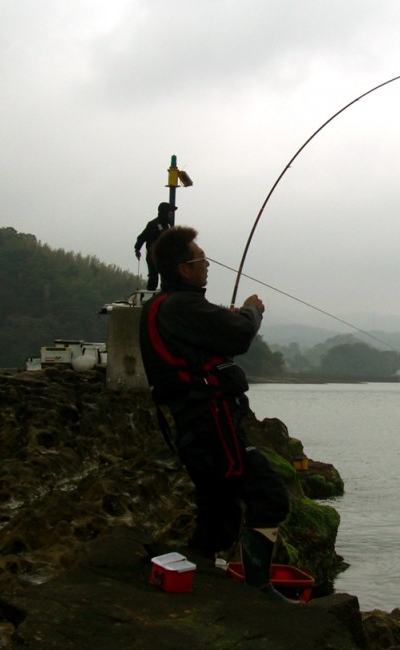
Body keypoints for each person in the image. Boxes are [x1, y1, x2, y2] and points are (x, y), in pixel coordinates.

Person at [138, 226, 294, 603]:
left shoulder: (165, 307)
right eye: (199, 260)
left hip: (195, 425)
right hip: (210, 423)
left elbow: (206, 338)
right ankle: (259, 590)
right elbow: (239, 334)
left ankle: (195, 575)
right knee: (270, 495)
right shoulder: (180, 307)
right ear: (182, 269)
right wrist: (252, 310)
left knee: (219, 513)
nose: (207, 264)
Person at [134, 202, 177, 291]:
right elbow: (142, 237)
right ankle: (151, 295)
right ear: (165, 212)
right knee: (153, 276)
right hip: (153, 255)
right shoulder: (152, 224)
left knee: (166, 276)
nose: (171, 213)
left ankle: (165, 293)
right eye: (170, 211)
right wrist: (137, 249)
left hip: (164, 256)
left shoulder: (168, 225)